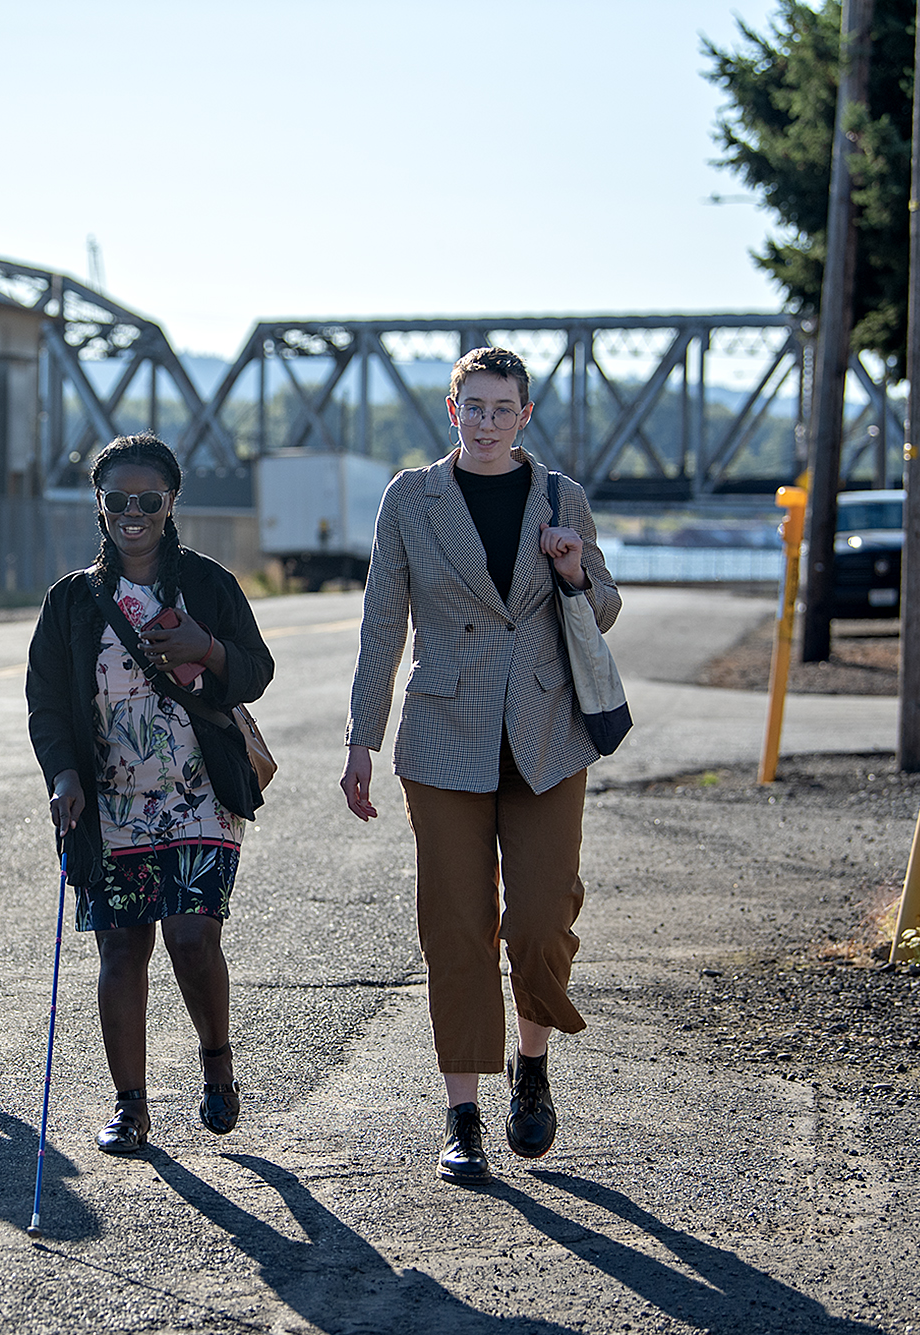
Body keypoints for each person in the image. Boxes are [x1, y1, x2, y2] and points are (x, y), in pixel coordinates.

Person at [338, 346, 619, 1186]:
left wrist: (572, 568)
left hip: (545, 730)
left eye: (505, 408)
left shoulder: (562, 495)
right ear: (451, 408)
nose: (489, 422)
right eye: (475, 406)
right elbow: (382, 623)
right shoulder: (412, 500)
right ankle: (463, 1114)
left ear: (525, 416)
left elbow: (604, 605)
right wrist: (363, 736)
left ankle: (531, 1063)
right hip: (443, 735)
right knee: (456, 927)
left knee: (539, 918)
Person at [27, 434, 274, 1154]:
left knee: (193, 938)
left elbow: (256, 670)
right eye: (118, 500)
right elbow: (47, 702)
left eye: (149, 499)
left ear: (171, 504)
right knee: (121, 949)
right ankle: (130, 1105)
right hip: (109, 803)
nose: (132, 512)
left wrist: (209, 646)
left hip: (199, 793)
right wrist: (64, 776)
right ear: (99, 505)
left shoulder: (209, 584)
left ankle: (216, 1063)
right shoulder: (71, 601)